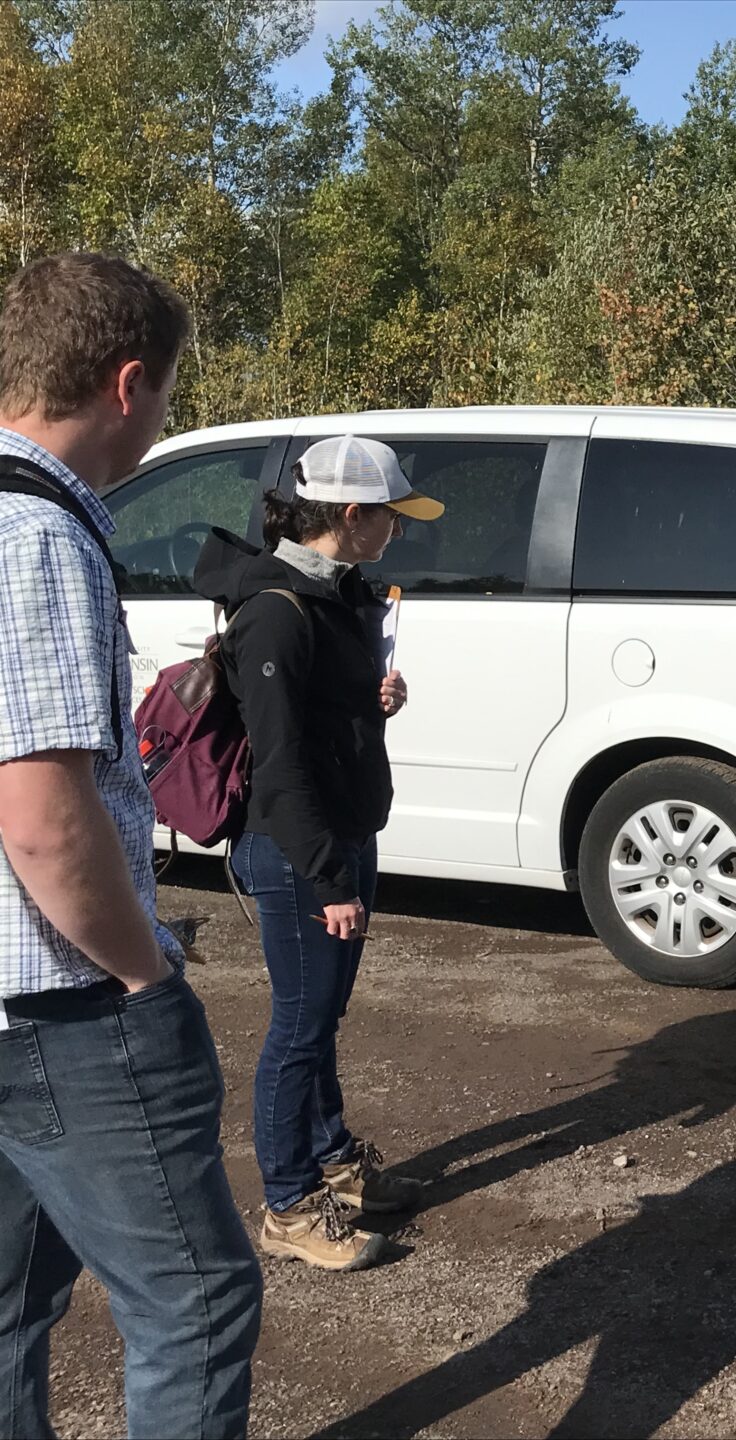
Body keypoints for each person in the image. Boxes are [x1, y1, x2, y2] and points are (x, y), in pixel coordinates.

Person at [0, 252, 261, 1437]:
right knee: (195, 1304)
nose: (166, 415)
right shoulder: (41, 535)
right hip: (65, 1004)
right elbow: (46, 822)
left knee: (8, 1306)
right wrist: (145, 972)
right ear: (125, 384)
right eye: (167, 391)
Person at [193, 435, 443, 1271]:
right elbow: (280, 759)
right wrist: (328, 877)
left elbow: (324, 716)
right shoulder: (276, 609)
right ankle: (289, 1203)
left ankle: (336, 1165)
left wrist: (376, 698)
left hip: (341, 835)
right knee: (299, 1028)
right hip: (297, 851)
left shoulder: (333, 594)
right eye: (390, 518)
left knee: (323, 1014)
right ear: (350, 514)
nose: (397, 532)